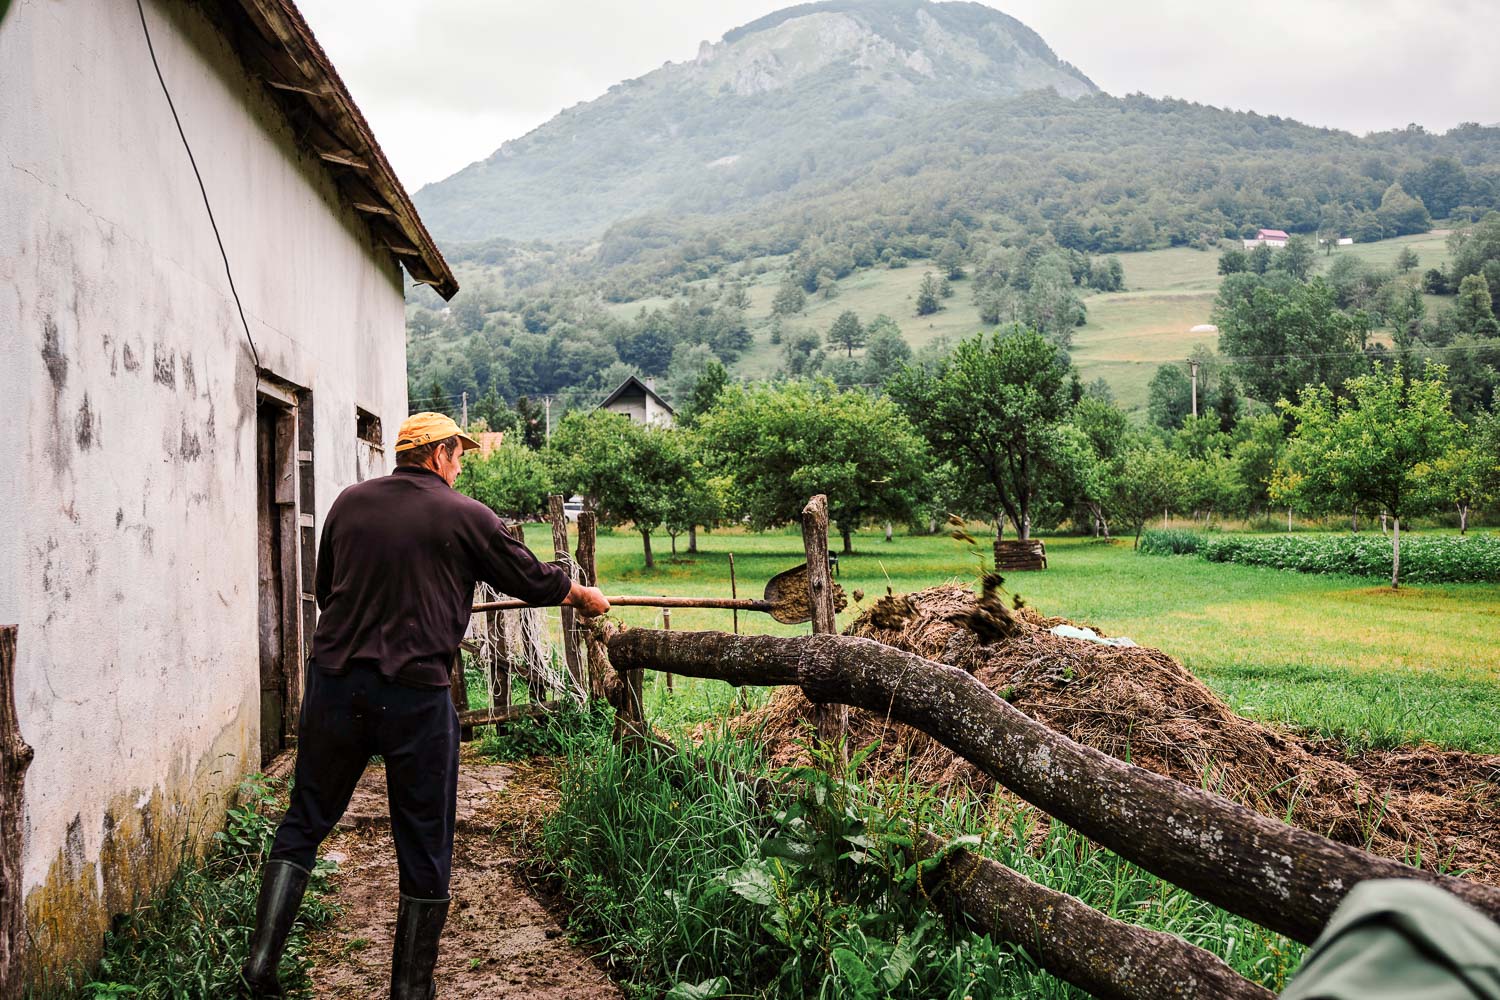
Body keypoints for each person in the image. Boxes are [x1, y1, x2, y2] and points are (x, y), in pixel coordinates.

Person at [241, 412, 609, 998]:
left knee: (305, 819)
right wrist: (581, 594)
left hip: (336, 683)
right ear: (437, 454)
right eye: (457, 455)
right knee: (424, 836)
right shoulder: (466, 517)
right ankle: (411, 992)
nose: (459, 466)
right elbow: (530, 579)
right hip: (415, 694)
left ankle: (259, 968)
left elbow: (326, 585)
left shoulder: (347, 504)